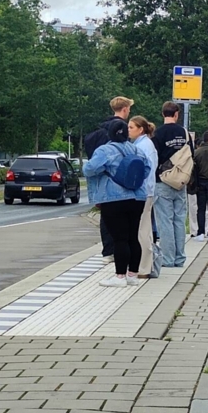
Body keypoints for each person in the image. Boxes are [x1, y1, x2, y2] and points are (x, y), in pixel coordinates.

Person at [83, 119, 151, 287]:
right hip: (137, 198)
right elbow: (147, 168)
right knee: (133, 237)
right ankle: (132, 275)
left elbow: (89, 169)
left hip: (114, 198)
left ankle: (119, 276)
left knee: (119, 239)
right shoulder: (136, 149)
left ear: (110, 133)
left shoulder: (105, 150)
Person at [85, 96, 134, 265]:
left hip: (101, 180)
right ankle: (120, 252)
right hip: (120, 181)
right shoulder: (122, 131)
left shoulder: (99, 131)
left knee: (106, 216)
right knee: (124, 220)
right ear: (125, 109)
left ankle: (108, 251)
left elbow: (91, 164)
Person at [152, 102, 194, 273]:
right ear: (176, 114)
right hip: (180, 182)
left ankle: (168, 259)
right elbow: (191, 156)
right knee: (179, 219)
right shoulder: (184, 133)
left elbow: (154, 158)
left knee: (165, 221)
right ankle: (180, 257)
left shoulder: (157, 134)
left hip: (162, 181)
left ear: (163, 114)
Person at [129, 116, 158, 278]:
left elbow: (144, 171)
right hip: (146, 191)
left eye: (131, 127)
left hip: (143, 192)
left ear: (141, 129)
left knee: (142, 229)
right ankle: (145, 265)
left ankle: (144, 266)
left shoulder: (143, 146)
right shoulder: (144, 144)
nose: (128, 130)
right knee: (144, 228)